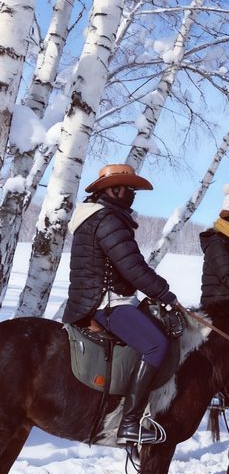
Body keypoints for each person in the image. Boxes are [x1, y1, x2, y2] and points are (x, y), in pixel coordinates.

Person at [63, 163, 180, 446]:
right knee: (156, 345)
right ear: (112, 190)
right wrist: (166, 295)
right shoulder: (108, 220)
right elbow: (133, 268)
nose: (132, 195)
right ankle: (130, 423)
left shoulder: (99, 217)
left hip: (103, 299)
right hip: (106, 303)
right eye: (129, 189)